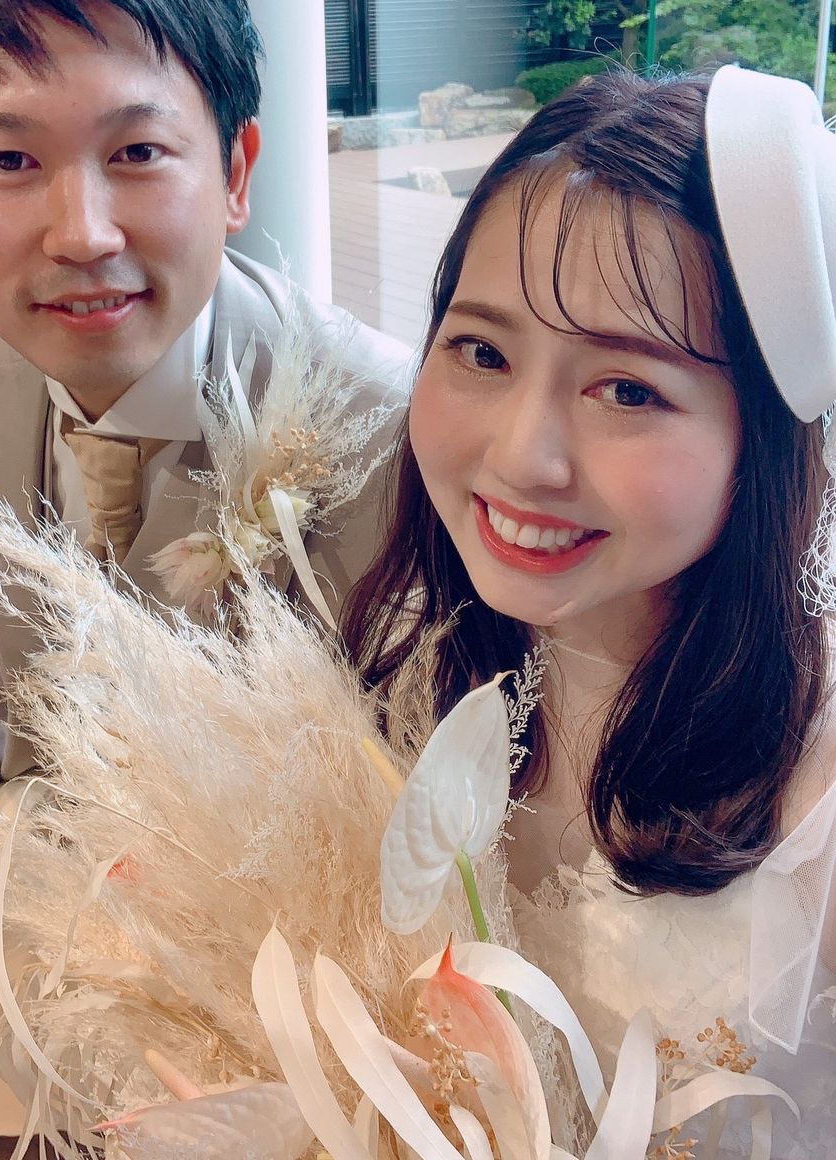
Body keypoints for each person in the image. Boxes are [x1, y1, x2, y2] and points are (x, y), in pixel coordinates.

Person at [0, 1, 407, 1155]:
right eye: (8, 161)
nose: (83, 233)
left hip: (283, 913)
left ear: (234, 172)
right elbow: (2, 586)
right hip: (61, 823)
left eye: (137, 151)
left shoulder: (377, 423)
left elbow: (404, 762)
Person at [341, 65, 836, 1157]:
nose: (523, 455)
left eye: (626, 389)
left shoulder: (820, 802)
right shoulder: (416, 658)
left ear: (761, 438)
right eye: (481, 351)